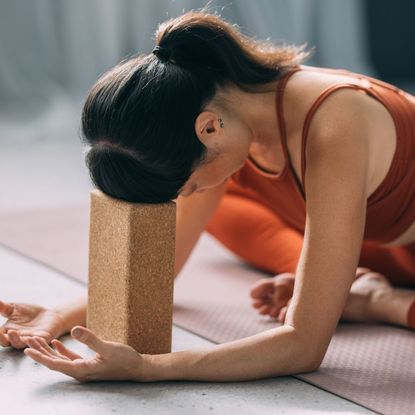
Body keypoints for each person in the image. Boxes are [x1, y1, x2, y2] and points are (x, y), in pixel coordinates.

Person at [1, 10, 415, 383]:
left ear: (209, 128)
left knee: (224, 198)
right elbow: (159, 267)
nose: (193, 192)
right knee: (220, 208)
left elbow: (303, 347)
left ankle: (377, 300)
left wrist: (147, 368)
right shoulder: (226, 111)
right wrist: (58, 315)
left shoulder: (334, 124)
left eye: (192, 184)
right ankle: (344, 286)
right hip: (379, 241)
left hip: (394, 248)